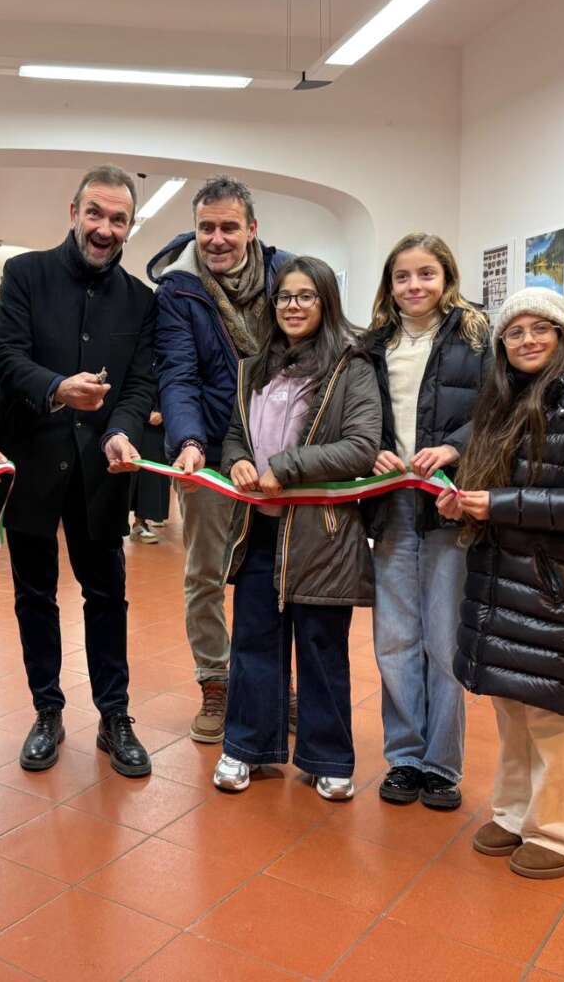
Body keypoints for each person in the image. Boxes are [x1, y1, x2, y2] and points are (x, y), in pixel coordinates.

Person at [441, 287, 564, 880]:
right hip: (501, 577)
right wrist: (462, 501)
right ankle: (519, 812)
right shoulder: (499, 402)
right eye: (515, 332)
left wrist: (494, 504)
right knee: (513, 705)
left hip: (557, 586)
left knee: (553, 713)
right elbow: (488, 479)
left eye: (539, 330)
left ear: (563, 336)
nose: (527, 341)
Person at [0, 164, 158, 777]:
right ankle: (47, 711)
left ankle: (116, 717)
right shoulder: (24, 275)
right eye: (96, 213)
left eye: (118, 218)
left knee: (106, 594)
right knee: (35, 596)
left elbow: (139, 385)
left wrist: (120, 431)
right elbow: (5, 356)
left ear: (130, 226)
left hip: (100, 475)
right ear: (73, 211)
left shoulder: (142, 300)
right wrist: (57, 388)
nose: (105, 228)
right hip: (31, 463)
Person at [213, 257, 379, 800]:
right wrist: (237, 459)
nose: (293, 306)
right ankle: (245, 749)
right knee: (254, 645)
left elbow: (360, 446)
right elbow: (236, 432)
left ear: (326, 302)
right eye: (284, 297)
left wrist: (285, 466)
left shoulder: (351, 366)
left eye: (306, 296)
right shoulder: (253, 367)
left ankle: (328, 758)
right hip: (257, 531)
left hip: (322, 535)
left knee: (321, 648)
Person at [149, 176, 293, 742]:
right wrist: (189, 442)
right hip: (207, 456)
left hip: (283, 456)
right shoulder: (179, 290)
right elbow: (178, 374)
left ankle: (275, 686)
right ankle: (216, 682)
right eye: (206, 227)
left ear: (252, 229)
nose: (217, 238)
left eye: (229, 227)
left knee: (280, 575)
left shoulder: (289, 276)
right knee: (205, 574)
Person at [361, 233, 489, 811]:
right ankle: (404, 758)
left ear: (447, 277)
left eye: (427, 274)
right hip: (390, 507)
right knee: (394, 640)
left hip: (446, 510)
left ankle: (441, 764)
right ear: (389, 285)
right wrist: (373, 452)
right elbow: (354, 419)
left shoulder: (476, 337)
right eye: (403, 276)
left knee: (442, 639)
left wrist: (455, 449)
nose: (415, 286)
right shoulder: (370, 346)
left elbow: (497, 411)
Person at [130, 405, 169, 543]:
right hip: (133, 417)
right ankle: (136, 523)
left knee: (152, 473)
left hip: (157, 426)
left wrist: (165, 412)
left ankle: (143, 521)